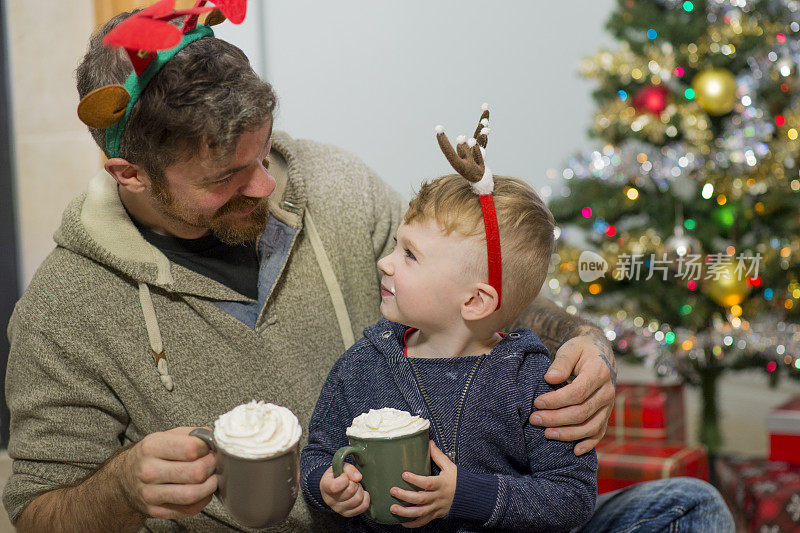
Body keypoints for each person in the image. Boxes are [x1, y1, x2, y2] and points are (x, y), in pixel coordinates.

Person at [2, 5, 733, 533]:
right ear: (131, 174)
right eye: (228, 175)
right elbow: (37, 512)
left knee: (684, 506)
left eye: (263, 154)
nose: (265, 185)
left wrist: (581, 341)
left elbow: (469, 291)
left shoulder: (333, 183)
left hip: (455, 513)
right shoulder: (66, 310)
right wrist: (123, 487)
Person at [300, 124, 598, 531]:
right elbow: (318, 451)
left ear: (475, 301)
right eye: (395, 245)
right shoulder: (361, 365)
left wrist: (466, 495)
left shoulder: (531, 381)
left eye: (410, 255)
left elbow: (571, 498)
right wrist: (326, 484)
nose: (385, 263)